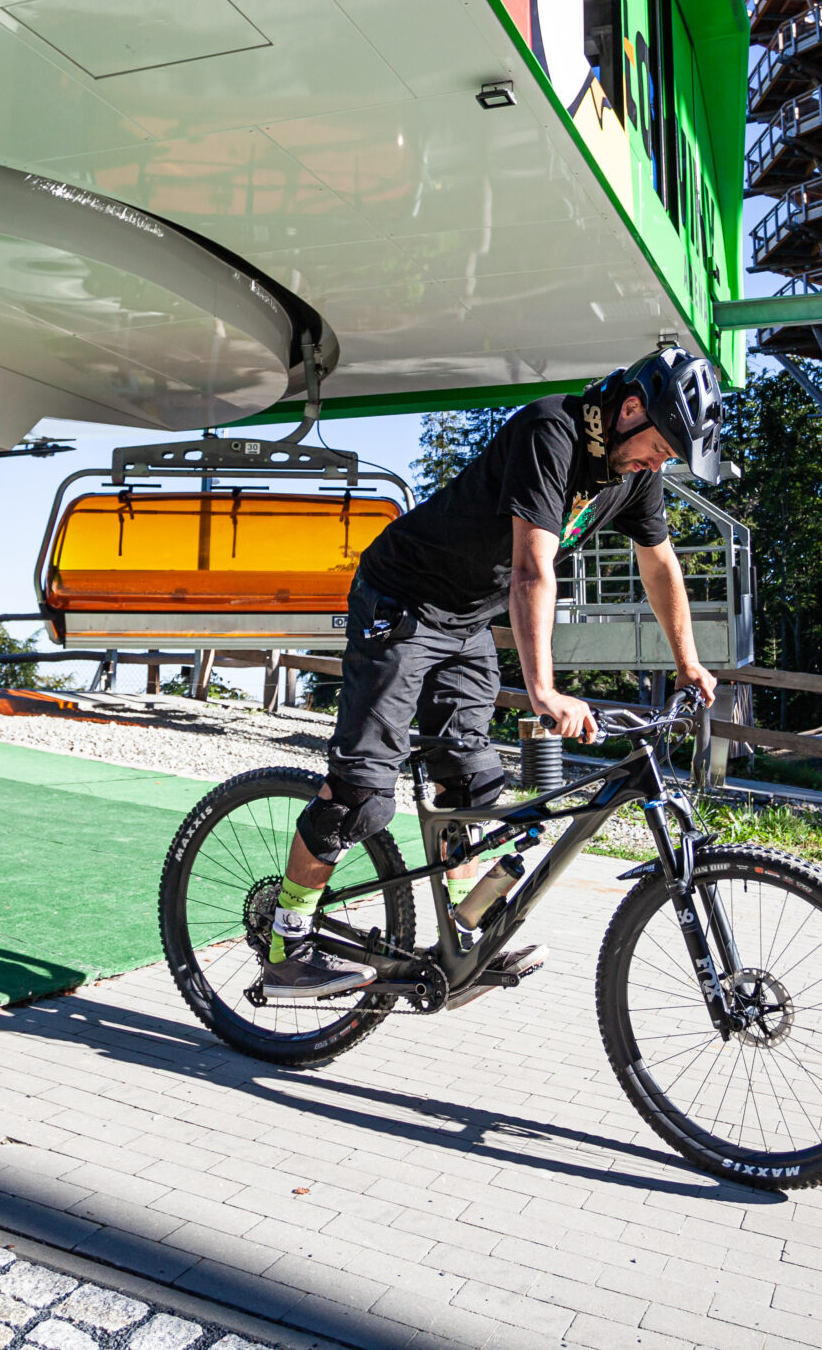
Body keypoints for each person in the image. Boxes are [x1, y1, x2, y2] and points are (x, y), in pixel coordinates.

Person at [261, 346, 726, 996]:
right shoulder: (551, 431)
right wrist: (543, 690)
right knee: (361, 794)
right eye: (661, 448)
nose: (659, 464)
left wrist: (688, 662)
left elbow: (660, 564)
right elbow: (533, 571)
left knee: (472, 783)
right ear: (629, 410)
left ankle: (462, 936)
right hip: (401, 599)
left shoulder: (633, 472)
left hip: (464, 620)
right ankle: (286, 945)